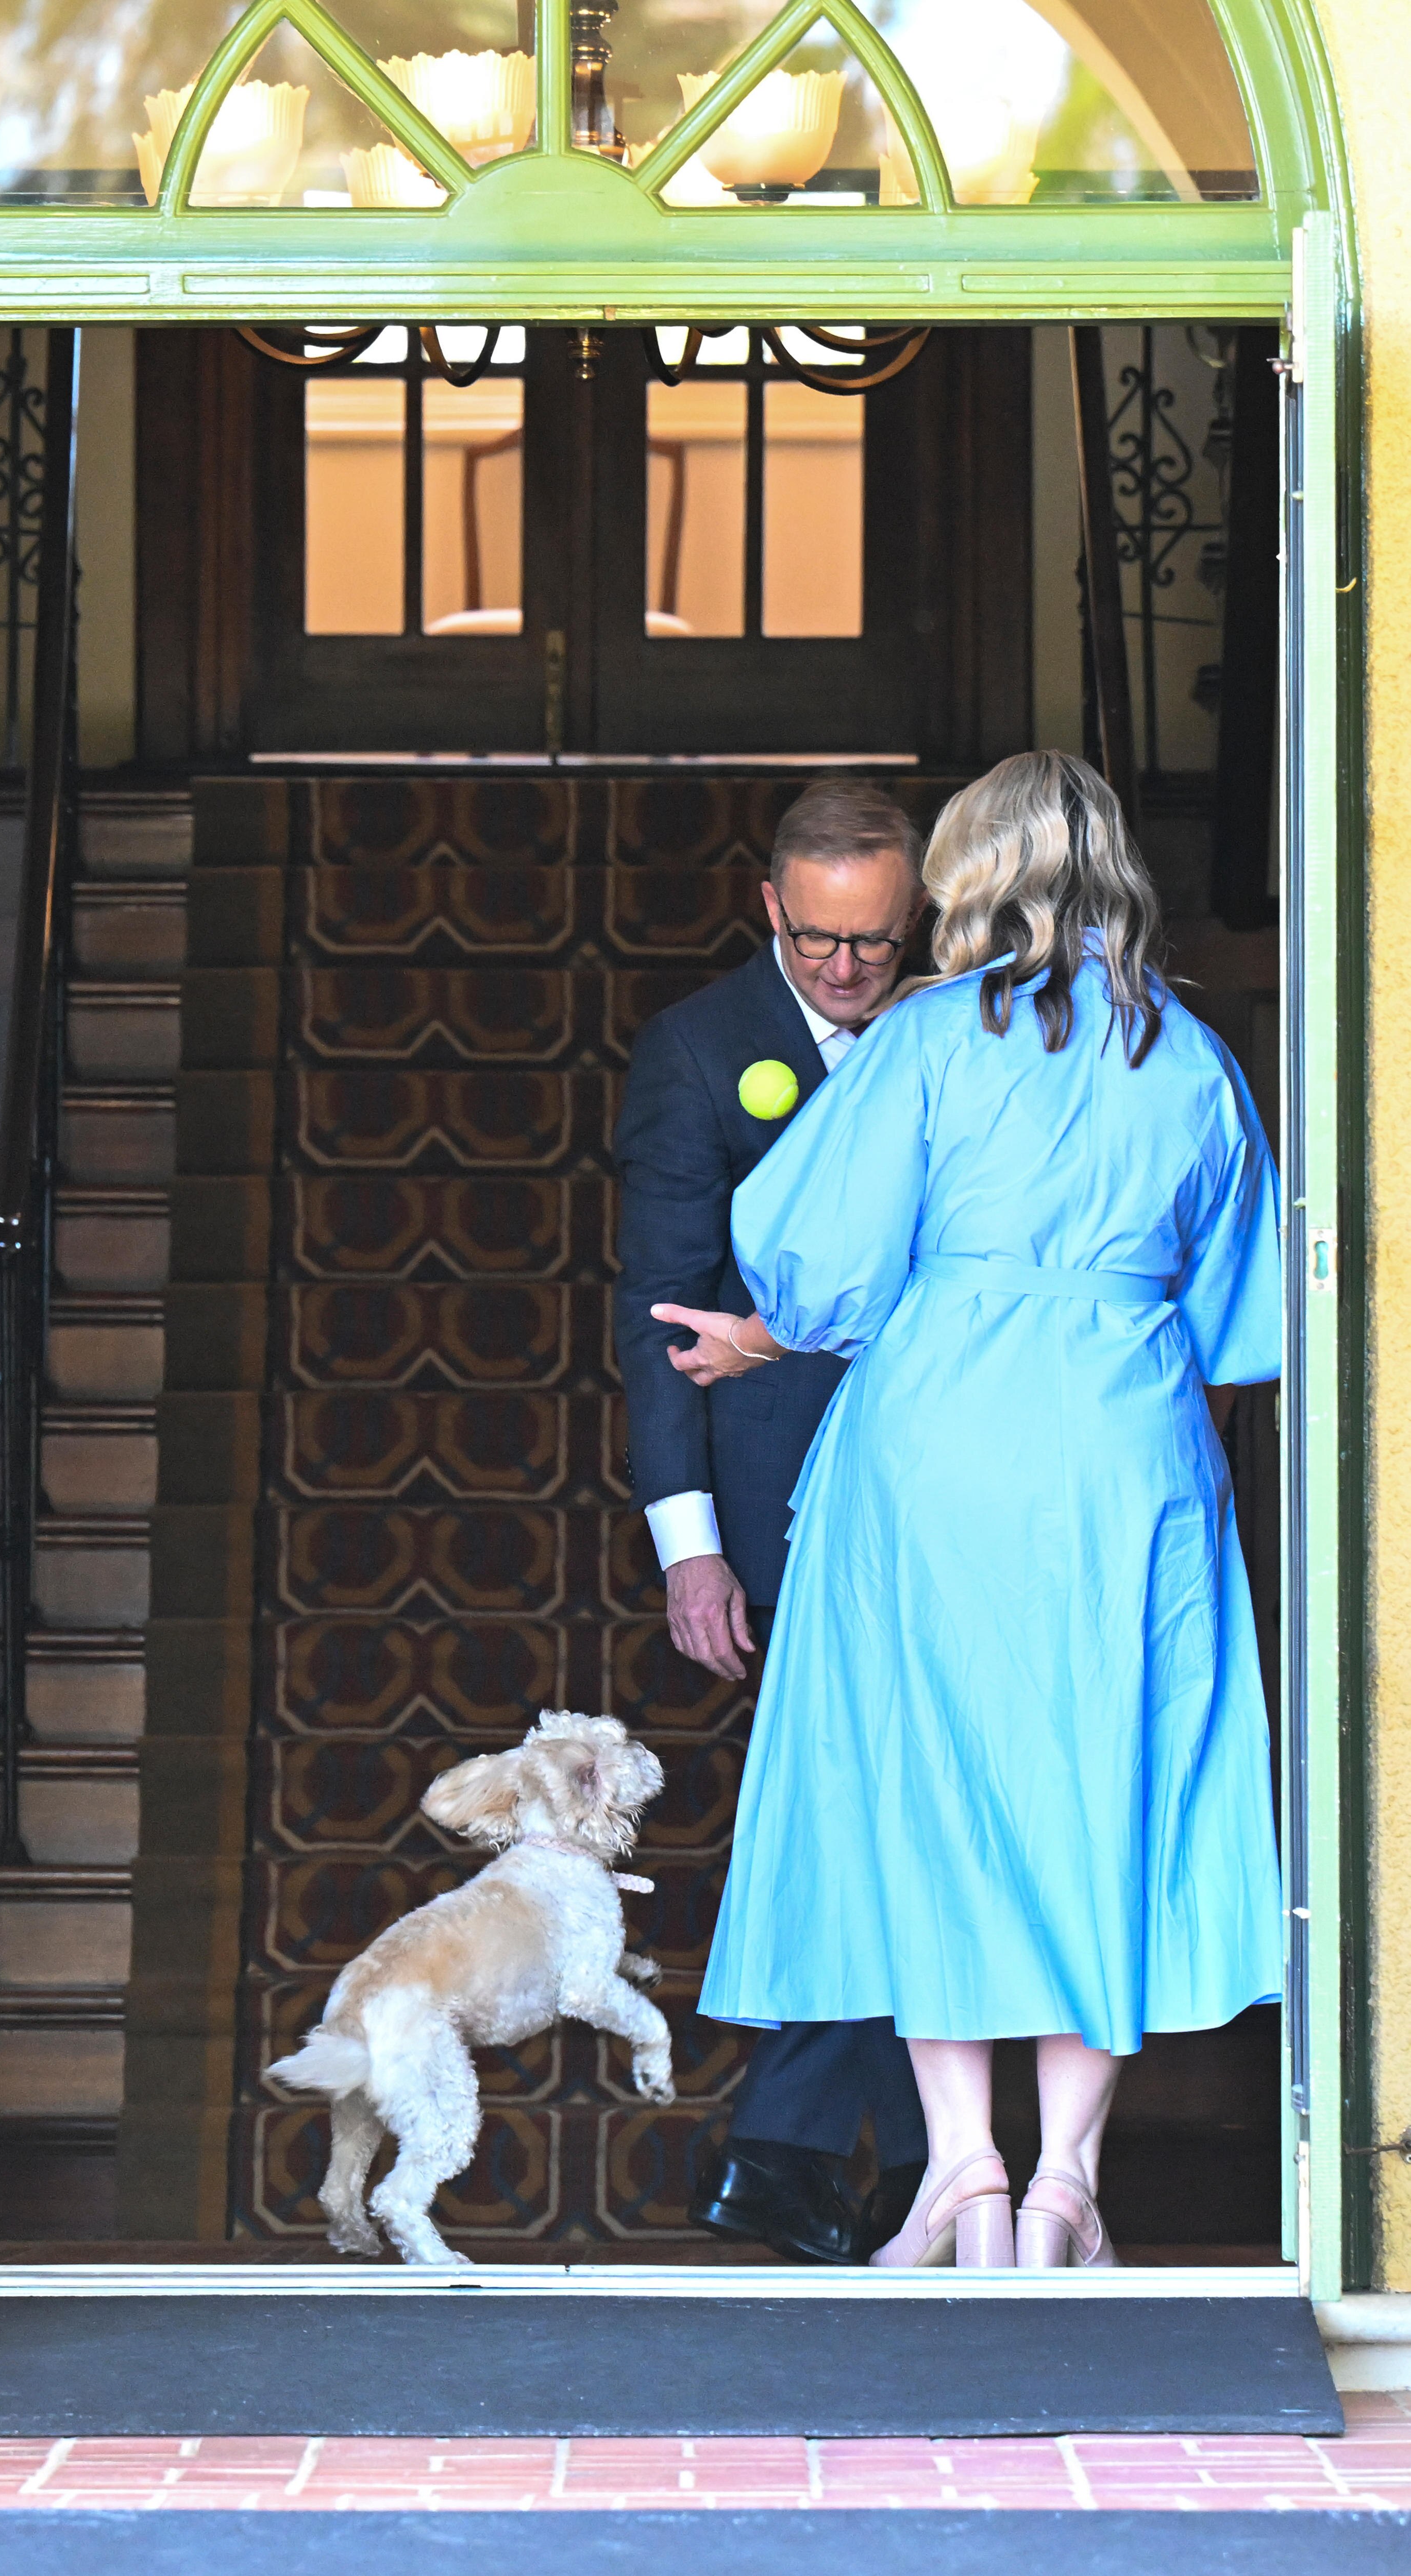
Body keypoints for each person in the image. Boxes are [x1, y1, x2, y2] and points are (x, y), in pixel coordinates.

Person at [653, 750, 1282, 2270]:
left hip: (935, 1449)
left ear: (967, 877)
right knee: (1109, 1785)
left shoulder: (927, 1042)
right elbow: (1249, 1323)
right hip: (1126, 1451)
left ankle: (966, 2173)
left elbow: (813, 1263)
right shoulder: (1190, 1056)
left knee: (922, 1790)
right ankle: (1069, 2176)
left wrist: (783, 1330)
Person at [613, 776, 930, 2264]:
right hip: (784, 1497)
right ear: (770, 908)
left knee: (899, 1811)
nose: (847, 970)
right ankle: (897, 2153)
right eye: (817, 941)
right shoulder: (696, 1054)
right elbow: (661, 1314)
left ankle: (828, 2153)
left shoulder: (964, 1029)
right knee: (873, 1811)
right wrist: (691, 1548)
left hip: (948, 1476)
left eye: (872, 939)